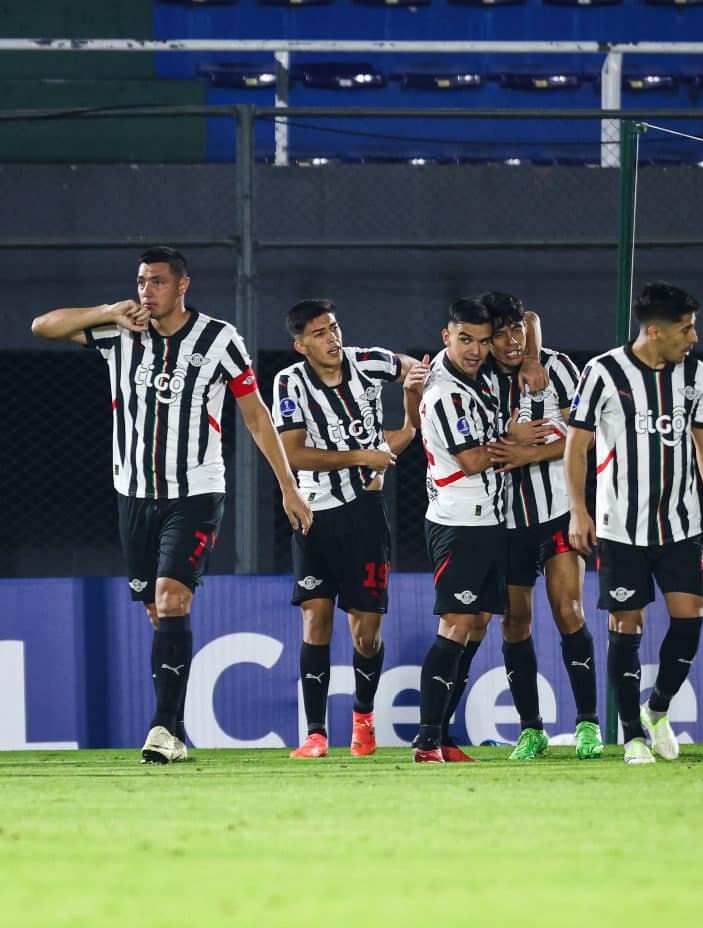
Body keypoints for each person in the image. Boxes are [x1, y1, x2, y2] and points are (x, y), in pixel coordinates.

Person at [31, 246, 312, 764]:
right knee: (156, 613)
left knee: (171, 599)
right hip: (133, 493)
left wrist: (288, 485)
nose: (146, 291)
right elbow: (42, 326)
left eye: (157, 282)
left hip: (196, 492)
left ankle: (161, 727)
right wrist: (107, 312)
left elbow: (255, 416)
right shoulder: (120, 333)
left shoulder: (219, 339)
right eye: (141, 282)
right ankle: (176, 727)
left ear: (182, 286)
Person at [565, 282, 703, 764]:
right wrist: (579, 510)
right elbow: (576, 446)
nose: (693, 337)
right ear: (655, 331)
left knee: (690, 617)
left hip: (682, 524)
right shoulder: (602, 372)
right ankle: (632, 732)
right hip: (620, 527)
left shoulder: (695, 373)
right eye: (686, 328)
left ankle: (657, 709)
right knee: (625, 622)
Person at [272, 299, 419, 759]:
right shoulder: (288, 383)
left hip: (366, 511)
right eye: (318, 333)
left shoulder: (369, 361)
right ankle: (315, 733)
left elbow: (413, 368)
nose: (331, 338)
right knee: (316, 617)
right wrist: (363, 455)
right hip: (314, 513)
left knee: (366, 633)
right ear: (301, 346)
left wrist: (415, 385)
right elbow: (293, 453)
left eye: (333, 328)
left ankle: (363, 717)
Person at [482, 292, 604, 761]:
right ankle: (531, 729)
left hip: (555, 512)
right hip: (506, 521)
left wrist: (529, 453)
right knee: (515, 623)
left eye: (516, 329)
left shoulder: (557, 367)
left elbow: (582, 437)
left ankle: (588, 724)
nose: (511, 341)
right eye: (500, 334)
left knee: (569, 610)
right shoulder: (479, 378)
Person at [410, 297, 507, 763]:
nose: (475, 349)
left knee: (477, 623)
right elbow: (470, 460)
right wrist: (517, 444)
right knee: (456, 623)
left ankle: (443, 734)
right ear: (447, 336)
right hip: (458, 521)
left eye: (483, 341)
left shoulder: (478, 382)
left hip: (487, 520)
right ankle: (427, 740)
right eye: (465, 338)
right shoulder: (446, 392)